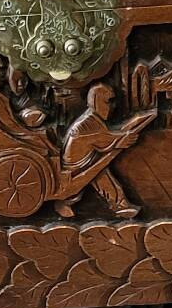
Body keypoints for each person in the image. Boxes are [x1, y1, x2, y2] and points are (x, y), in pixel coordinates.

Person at [58, 83, 148, 219]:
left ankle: (121, 206)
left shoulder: (94, 119)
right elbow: (104, 139)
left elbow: (108, 136)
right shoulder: (86, 124)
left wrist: (130, 128)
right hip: (77, 168)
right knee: (99, 173)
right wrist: (123, 138)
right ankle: (120, 206)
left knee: (100, 171)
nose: (113, 107)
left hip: (88, 160)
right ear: (96, 102)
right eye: (108, 102)